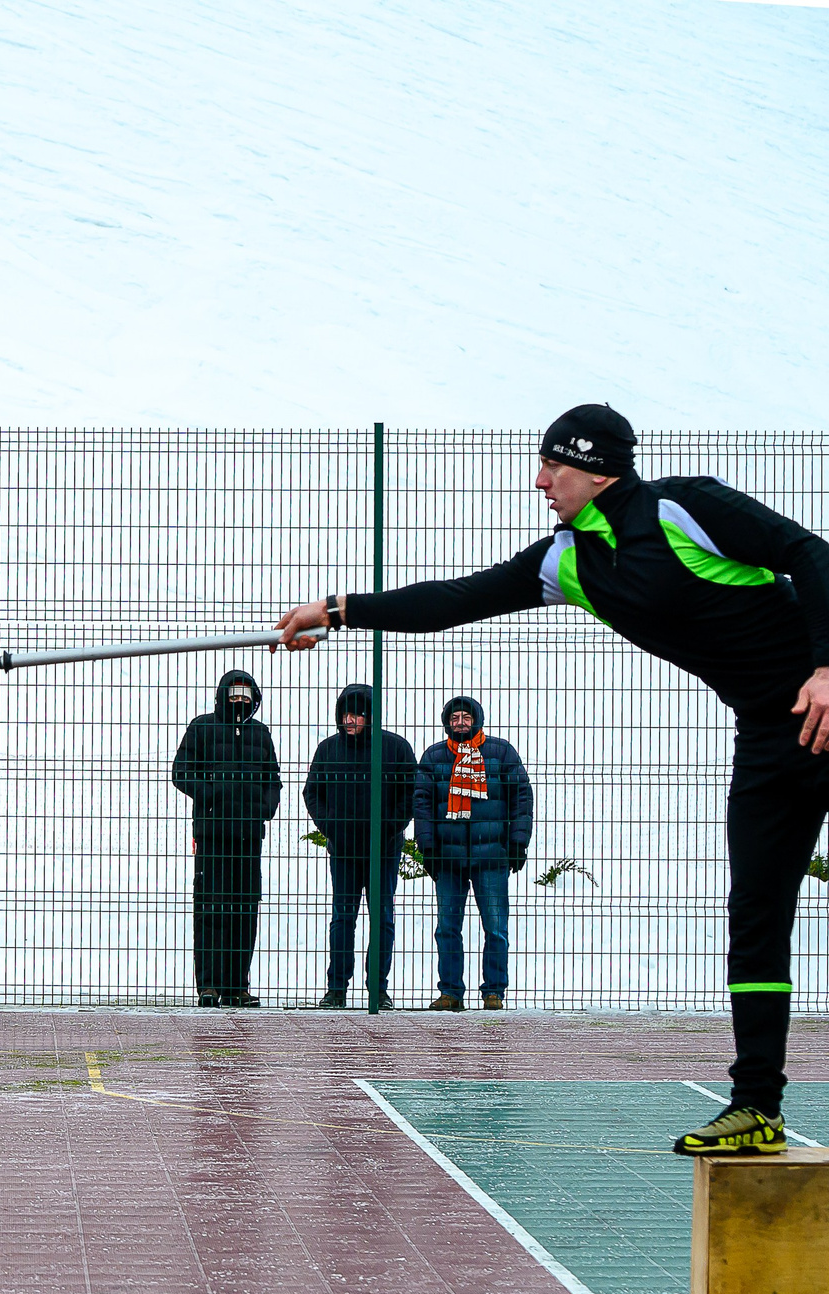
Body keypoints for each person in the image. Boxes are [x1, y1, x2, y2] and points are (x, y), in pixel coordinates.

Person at [279, 403, 829, 1154]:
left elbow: (814, 554)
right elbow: (455, 600)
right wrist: (338, 611)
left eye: (554, 468)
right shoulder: (565, 562)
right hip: (771, 736)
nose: (540, 482)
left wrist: (828, 667)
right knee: (756, 915)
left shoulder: (682, 507)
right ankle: (757, 1108)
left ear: (597, 470)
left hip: (828, 695)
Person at [413, 695, 532, 1012]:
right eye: (454, 719)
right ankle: (450, 992)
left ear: (477, 720)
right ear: (446, 723)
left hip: (491, 856)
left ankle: (494, 991)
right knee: (447, 928)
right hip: (448, 858)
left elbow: (521, 797)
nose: (460, 723)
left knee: (495, 927)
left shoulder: (500, 752)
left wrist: (518, 841)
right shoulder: (434, 756)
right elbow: (422, 804)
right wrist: (428, 847)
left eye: (466, 717)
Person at [170, 669, 281, 1006]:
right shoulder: (202, 727)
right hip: (213, 835)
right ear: (222, 693)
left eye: (246, 693)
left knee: (245, 909)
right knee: (211, 908)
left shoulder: (260, 733)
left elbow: (272, 780)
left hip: (248, 837)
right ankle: (209, 986)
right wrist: (212, 795)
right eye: (234, 691)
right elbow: (181, 772)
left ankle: (237, 987)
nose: (240, 698)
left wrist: (263, 809)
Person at [301, 683, 415, 1008]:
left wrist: (389, 828)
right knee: (343, 917)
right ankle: (336, 988)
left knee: (382, 918)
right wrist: (331, 826)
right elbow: (312, 793)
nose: (352, 720)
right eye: (347, 714)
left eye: (359, 714)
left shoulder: (395, 748)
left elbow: (410, 794)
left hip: (384, 850)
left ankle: (378, 989)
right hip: (344, 850)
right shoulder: (328, 749)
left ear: (371, 716)